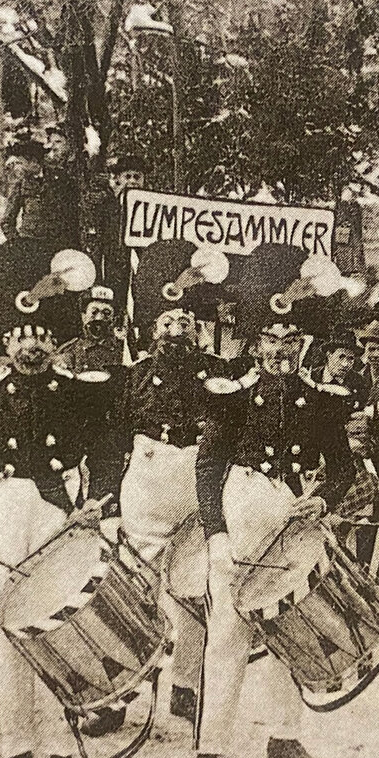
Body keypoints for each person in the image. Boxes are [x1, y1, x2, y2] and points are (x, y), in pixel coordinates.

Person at [0, 236, 107, 758]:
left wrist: (99, 500)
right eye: (19, 339)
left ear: (54, 341)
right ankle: (15, 749)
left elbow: (107, 450)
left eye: (39, 338)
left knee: (58, 625)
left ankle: (61, 753)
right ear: (5, 343)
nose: (30, 349)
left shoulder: (78, 392)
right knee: (0, 628)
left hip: (57, 509)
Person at [185, 244, 351, 758]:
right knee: (226, 636)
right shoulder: (230, 396)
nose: (281, 350)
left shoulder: (324, 400)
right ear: (256, 344)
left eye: (291, 341)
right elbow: (208, 467)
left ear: (303, 345)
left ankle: (284, 735)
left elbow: (344, 470)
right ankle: (209, 746)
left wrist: (323, 499)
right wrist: (215, 534)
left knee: (289, 627)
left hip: (292, 522)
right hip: (240, 513)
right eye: (271, 341)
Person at [115, 239, 235, 723]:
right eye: (168, 323)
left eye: (185, 324)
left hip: (194, 477)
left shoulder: (215, 373)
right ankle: (124, 686)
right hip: (146, 476)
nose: (176, 330)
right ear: (152, 330)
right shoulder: (135, 376)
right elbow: (117, 433)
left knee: (193, 585)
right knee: (135, 585)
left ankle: (185, 682)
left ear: (198, 330)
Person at [83, 153, 138, 301]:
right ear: (119, 179)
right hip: (113, 269)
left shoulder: (151, 210)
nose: (133, 181)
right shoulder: (106, 207)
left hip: (138, 268)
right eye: (128, 177)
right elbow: (97, 244)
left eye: (137, 177)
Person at [56, 285, 124, 374]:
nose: (99, 318)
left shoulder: (123, 349)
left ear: (114, 319)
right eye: (94, 312)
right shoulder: (71, 350)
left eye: (106, 313)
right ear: (84, 317)